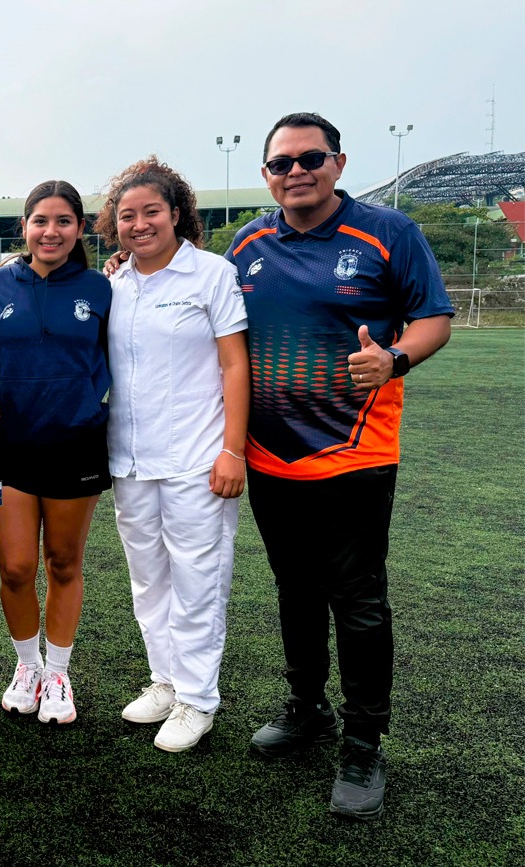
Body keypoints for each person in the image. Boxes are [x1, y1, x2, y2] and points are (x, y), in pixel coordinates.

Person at [226, 113, 453, 819]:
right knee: (295, 589)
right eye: (281, 163)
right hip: (270, 455)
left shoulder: (389, 232)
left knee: (357, 602)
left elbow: (433, 317)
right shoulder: (247, 241)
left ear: (339, 162)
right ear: (265, 174)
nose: (296, 171)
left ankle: (363, 742)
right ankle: (307, 706)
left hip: (354, 455)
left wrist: (394, 358)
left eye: (310, 158)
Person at [93, 158, 250, 752]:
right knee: (148, 581)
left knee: (198, 581)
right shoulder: (114, 283)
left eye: (151, 212)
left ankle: (198, 699)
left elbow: (236, 365)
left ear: (176, 214)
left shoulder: (211, 275)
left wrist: (232, 450)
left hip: (197, 458)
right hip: (130, 459)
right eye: (127, 216)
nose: (139, 225)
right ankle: (165, 680)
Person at [0, 180, 112, 725]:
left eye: (63, 221)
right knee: (15, 568)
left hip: (75, 442)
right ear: (25, 227)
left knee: (63, 562)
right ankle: (27, 665)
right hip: (10, 448)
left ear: (79, 228)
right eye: (40, 220)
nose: (51, 231)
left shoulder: (101, 289)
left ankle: (59, 673)